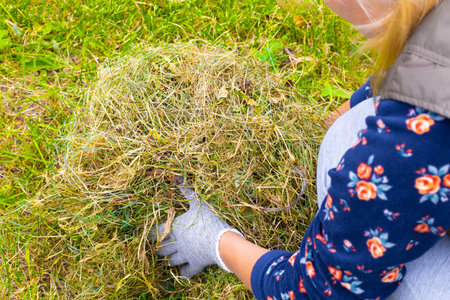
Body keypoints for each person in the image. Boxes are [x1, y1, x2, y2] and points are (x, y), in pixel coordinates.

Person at [151, 0, 450, 298]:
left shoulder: (417, 130)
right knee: (346, 130)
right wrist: (322, 123)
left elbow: (318, 290)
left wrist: (216, 242)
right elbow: (412, 71)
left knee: (342, 145)